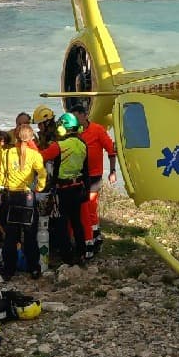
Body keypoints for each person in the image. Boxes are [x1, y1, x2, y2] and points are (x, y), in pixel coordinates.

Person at [0, 123, 47, 280]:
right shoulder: (35, 155)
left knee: (11, 237)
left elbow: (1, 175)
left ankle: (8, 270)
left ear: (16, 136)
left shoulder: (7, 153)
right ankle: (34, 269)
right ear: (31, 138)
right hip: (27, 198)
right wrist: (39, 187)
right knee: (30, 236)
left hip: (11, 197)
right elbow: (42, 173)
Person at [70, 102, 115, 255]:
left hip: (94, 175)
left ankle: (95, 239)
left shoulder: (97, 130)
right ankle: (86, 239)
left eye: (77, 118)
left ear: (85, 115)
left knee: (90, 207)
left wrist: (113, 170)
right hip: (78, 175)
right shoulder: (73, 132)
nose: (75, 121)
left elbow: (111, 150)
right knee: (81, 209)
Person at [52, 113, 90, 264]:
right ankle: (81, 253)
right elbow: (85, 168)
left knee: (61, 223)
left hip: (62, 189)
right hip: (78, 188)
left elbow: (41, 157)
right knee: (76, 222)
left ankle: (66, 255)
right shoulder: (82, 144)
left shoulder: (59, 146)